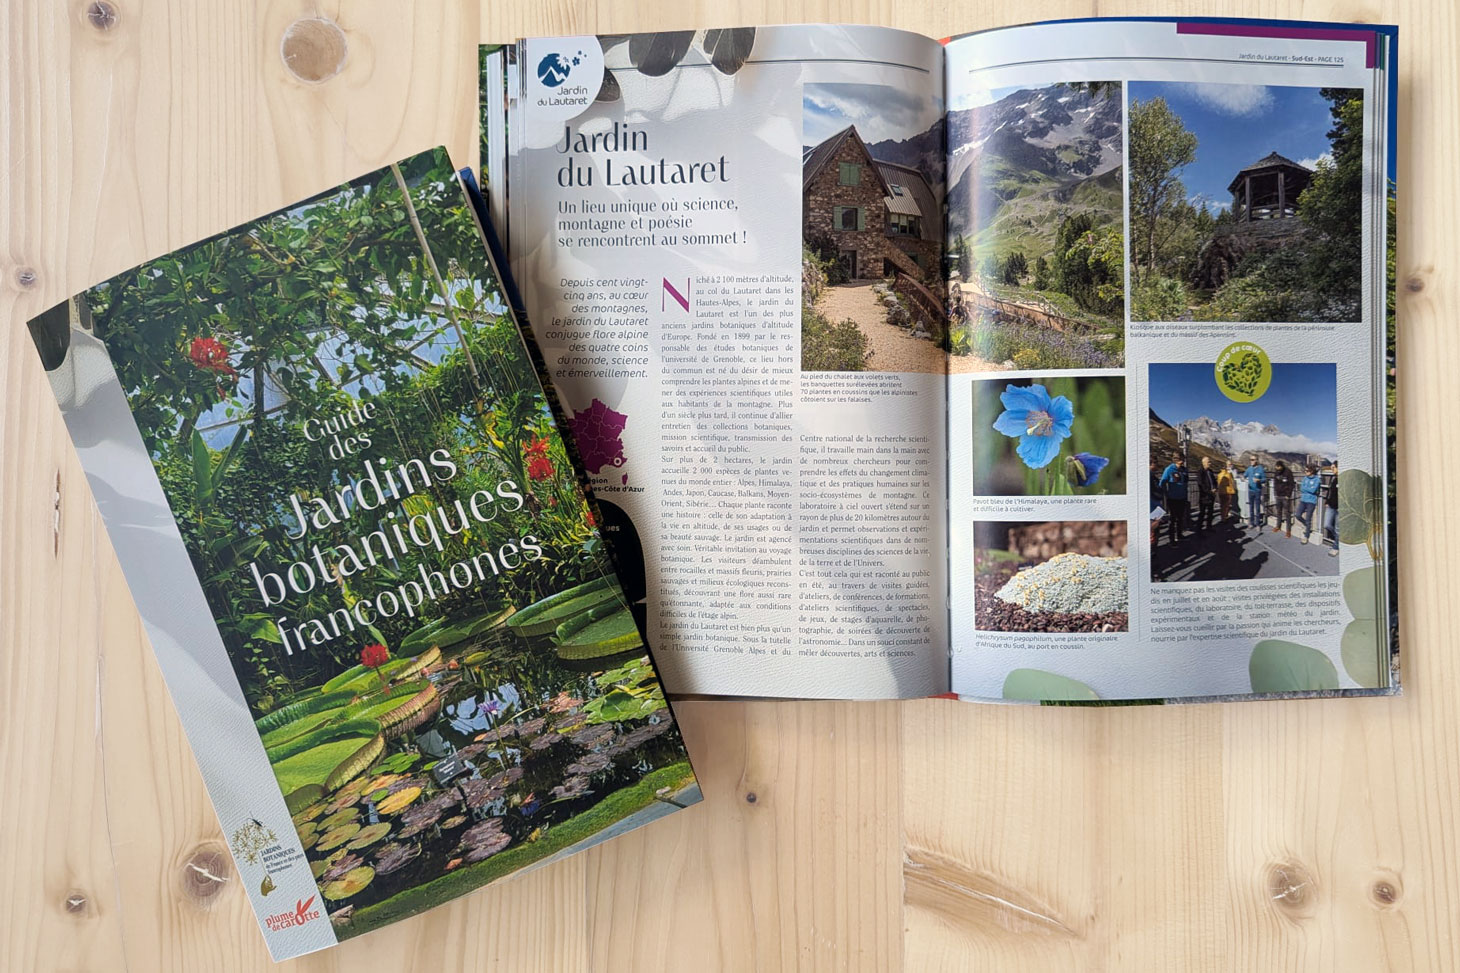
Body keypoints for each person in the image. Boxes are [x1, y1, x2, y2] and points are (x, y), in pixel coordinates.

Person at [1159, 454, 1190, 543]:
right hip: (1173, 498)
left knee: (1180, 518)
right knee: (1173, 519)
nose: (1182, 461)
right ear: (1176, 460)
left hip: (1182, 498)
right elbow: (1162, 483)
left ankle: (1179, 535)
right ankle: (1172, 540)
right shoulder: (1169, 469)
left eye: (1183, 459)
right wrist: (1166, 493)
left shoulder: (1184, 470)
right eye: (1180, 459)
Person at [1297, 464, 1322, 542]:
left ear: (1312, 471)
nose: (1305, 472)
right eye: (1305, 470)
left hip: (1311, 501)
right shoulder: (1305, 478)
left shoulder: (1317, 480)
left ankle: (1306, 535)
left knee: (1308, 518)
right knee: (1297, 515)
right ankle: (1307, 525)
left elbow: (1313, 490)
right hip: (1303, 500)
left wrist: (1306, 489)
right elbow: (1301, 488)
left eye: (1307, 470)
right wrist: (1308, 489)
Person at [1195, 456, 1218, 534]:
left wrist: (1215, 488)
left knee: (1210, 513)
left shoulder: (1210, 471)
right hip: (1204, 497)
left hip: (1211, 496)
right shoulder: (1200, 472)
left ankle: (1209, 527)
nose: (1210, 463)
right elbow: (1200, 484)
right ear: (1204, 463)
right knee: (1202, 513)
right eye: (1208, 462)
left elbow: (1214, 482)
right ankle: (1199, 531)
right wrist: (1209, 491)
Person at [1321, 460, 1340, 556]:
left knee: (1337, 529)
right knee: (1327, 525)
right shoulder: (1334, 478)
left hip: (1340, 508)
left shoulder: (1345, 479)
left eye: (1333, 468)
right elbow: (1330, 491)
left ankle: (1336, 547)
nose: (1332, 470)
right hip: (1331, 506)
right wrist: (1327, 502)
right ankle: (1339, 539)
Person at [1272, 461, 1295, 537]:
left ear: (1281, 466)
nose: (1278, 470)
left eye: (1279, 468)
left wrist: (1288, 495)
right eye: (1276, 468)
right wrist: (1275, 494)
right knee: (1278, 511)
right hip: (1278, 495)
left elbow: (1291, 484)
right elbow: (1275, 483)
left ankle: (1288, 531)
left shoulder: (1288, 472)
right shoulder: (1276, 473)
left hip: (1285, 496)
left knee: (1287, 513)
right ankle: (1278, 526)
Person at [1244, 456, 1267, 530]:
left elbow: (1264, 479)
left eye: (1253, 460)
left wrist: (1259, 480)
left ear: (1256, 460)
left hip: (1257, 490)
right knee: (1251, 507)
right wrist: (1243, 478)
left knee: (1257, 508)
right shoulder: (1249, 468)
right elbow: (1245, 475)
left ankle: (1258, 524)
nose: (1251, 461)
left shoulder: (1260, 469)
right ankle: (1251, 523)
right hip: (1250, 491)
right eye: (1250, 459)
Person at [1149, 456, 1165, 548]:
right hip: (1153, 508)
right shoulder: (1150, 476)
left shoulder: (1151, 476)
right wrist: (1160, 493)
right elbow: (1155, 492)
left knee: (1153, 532)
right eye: (1155, 463)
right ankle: (1152, 552)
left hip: (1154, 507)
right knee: (1154, 532)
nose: (1157, 466)